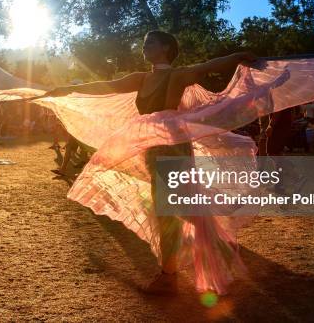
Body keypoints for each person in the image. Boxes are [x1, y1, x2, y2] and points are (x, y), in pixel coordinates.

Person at [45, 30, 257, 295]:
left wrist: (238, 56)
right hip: (151, 149)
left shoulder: (178, 75)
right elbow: (103, 87)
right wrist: (66, 90)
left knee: (167, 210)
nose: (144, 46)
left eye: (151, 42)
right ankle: (217, 247)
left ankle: (169, 276)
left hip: (172, 148)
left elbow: (210, 65)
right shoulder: (141, 78)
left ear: (166, 47)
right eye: (145, 43)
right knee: (171, 208)